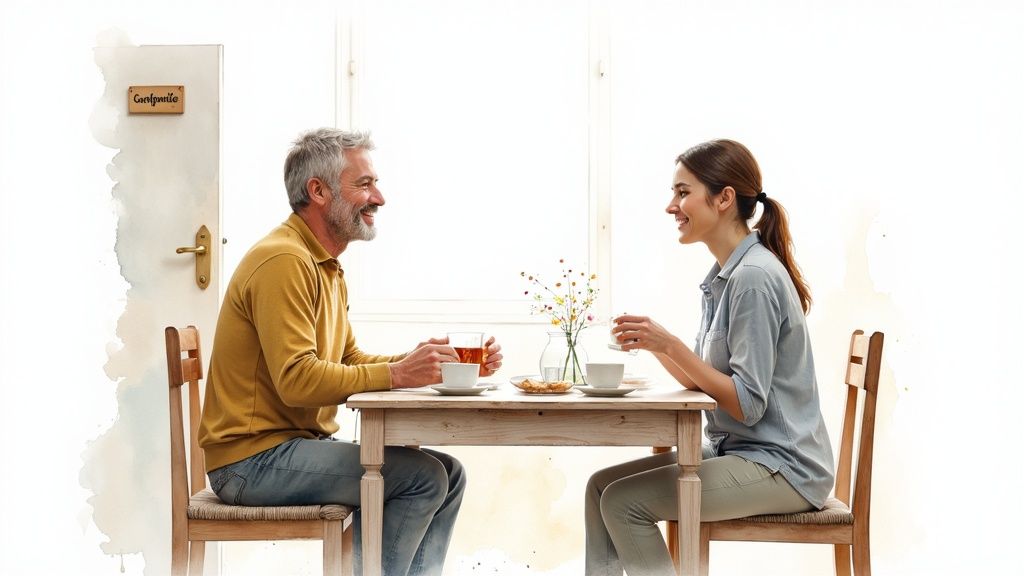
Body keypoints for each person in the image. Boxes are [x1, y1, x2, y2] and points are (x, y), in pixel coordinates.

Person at [198, 127, 503, 576]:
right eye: (364, 184)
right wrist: (399, 375)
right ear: (317, 191)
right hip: (250, 462)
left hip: (290, 448)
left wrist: (425, 364)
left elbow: (346, 361)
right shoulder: (285, 262)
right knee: (421, 478)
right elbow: (298, 380)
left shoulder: (324, 264)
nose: (378, 197)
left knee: (449, 475)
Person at [587, 139, 833, 575]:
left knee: (625, 503)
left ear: (724, 199)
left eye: (683, 192)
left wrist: (672, 345)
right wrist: (657, 345)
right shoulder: (725, 277)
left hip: (783, 467)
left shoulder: (753, 279)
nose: (671, 206)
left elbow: (747, 404)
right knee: (600, 488)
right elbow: (708, 383)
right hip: (741, 451)